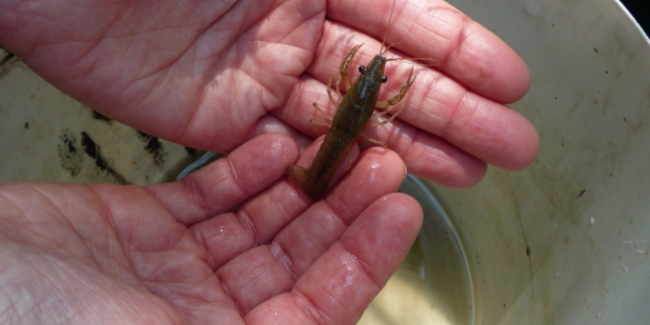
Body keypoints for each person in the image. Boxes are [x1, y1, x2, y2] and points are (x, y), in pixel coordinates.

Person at [0, 0, 538, 324]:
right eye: (370, 76)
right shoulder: (363, 96)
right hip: (341, 137)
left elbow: (345, 76)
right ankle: (316, 182)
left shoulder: (350, 89)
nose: (371, 77)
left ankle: (314, 179)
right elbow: (366, 88)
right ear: (361, 88)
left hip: (336, 136)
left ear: (360, 90)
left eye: (372, 80)